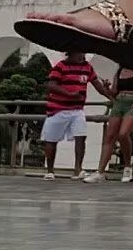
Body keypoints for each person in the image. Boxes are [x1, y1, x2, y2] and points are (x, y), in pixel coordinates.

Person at [41, 52, 111, 180]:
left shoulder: (87, 67)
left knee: (81, 136)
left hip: (77, 109)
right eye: (79, 53)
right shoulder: (61, 66)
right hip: (57, 109)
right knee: (51, 139)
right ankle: (50, 170)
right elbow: (51, 85)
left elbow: (97, 85)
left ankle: (78, 169)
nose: (82, 56)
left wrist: (109, 95)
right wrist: (69, 94)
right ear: (72, 53)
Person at [84, 67, 133, 183]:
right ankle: (100, 171)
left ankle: (127, 167)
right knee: (110, 136)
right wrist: (106, 87)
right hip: (119, 101)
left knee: (123, 133)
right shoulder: (119, 71)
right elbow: (113, 92)